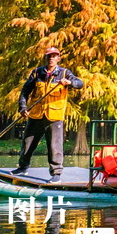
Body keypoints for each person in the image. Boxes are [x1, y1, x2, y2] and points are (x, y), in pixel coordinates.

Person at [13, 47, 84, 184]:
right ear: (45, 58)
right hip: (36, 115)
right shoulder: (36, 73)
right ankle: (23, 167)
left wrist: (70, 83)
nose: (51, 58)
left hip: (54, 116)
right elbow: (25, 91)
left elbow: (79, 83)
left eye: (54, 56)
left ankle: (56, 173)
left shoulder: (64, 73)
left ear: (58, 58)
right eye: (49, 56)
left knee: (55, 146)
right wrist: (23, 107)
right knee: (28, 143)